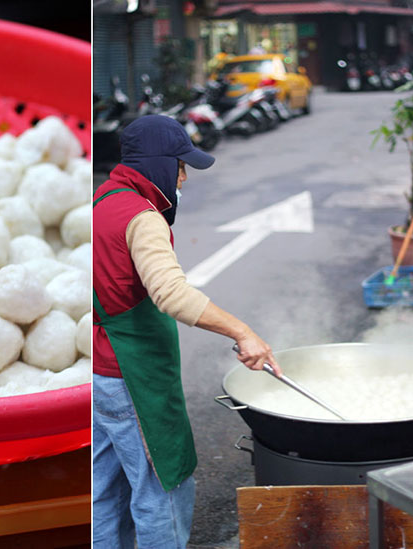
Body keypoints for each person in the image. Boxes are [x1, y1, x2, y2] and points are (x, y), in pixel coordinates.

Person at [92, 114, 281, 549]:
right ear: (159, 165)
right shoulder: (141, 217)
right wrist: (242, 331)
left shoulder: (103, 198)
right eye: (180, 166)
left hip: (100, 377)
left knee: (105, 495)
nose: (183, 178)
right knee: (163, 492)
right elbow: (171, 294)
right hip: (133, 381)